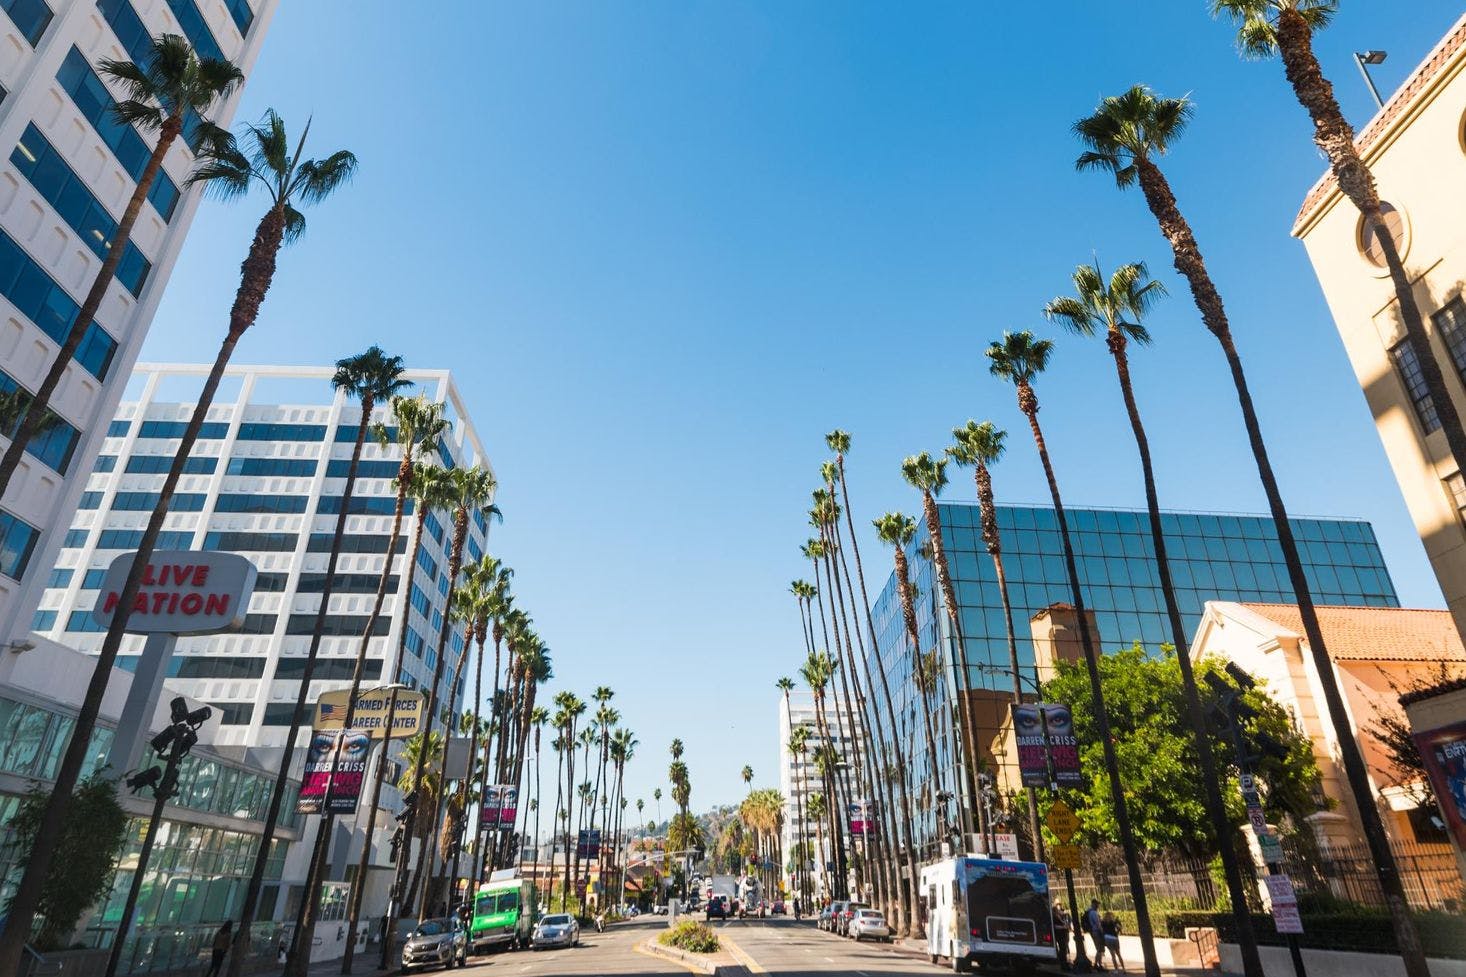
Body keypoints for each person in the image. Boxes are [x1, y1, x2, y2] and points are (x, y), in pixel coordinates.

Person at [1083, 899, 1106, 970]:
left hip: (1093, 932)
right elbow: (1098, 924)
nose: (1098, 906)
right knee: (1100, 949)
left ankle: (1097, 964)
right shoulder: (1093, 913)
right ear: (1093, 904)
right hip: (1097, 932)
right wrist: (1102, 932)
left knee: (1099, 949)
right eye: (1097, 904)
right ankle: (1098, 964)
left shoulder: (1090, 912)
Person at [1052, 900, 1071, 971]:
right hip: (1059, 935)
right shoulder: (1054, 917)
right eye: (1057, 906)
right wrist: (1063, 927)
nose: (1059, 908)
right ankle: (1063, 964)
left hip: (1063, 934)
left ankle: (1064, 963)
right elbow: (1055, 926)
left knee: (1064, 949)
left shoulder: (1060, 916)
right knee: (1062, 949)